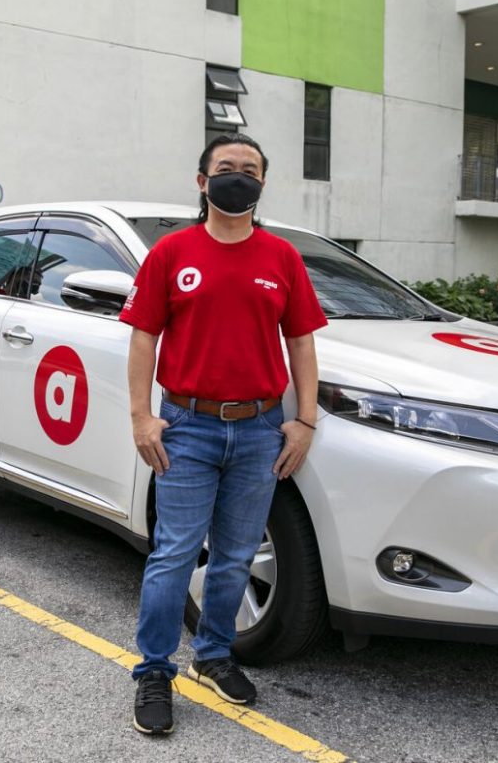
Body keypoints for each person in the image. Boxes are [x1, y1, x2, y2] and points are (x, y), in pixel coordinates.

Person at [121, 133, 327, 734]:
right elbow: (142, 338)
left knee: (235, 556)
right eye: (226, 168)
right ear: (201, 181)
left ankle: (213, 655)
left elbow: (302, 343)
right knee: (175, 555)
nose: (239, 177)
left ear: (263, 183)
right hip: (186, 426)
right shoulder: (171, 253)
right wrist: (142, 416)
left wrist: (304, 419)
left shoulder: (282, 258)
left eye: (251, 169)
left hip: (262, 428)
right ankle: (154, 671)